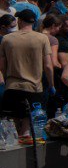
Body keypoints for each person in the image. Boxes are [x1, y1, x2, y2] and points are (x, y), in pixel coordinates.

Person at [0, 7, 53, 138]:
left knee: (11, 129)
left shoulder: (7, 39)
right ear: (33, 22)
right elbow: (48, 66)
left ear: (19, 21)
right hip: (34, 88)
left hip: (12, 87)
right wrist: (52, 85)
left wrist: (6, 80)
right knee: (27, 130)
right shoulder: (42, 39)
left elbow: (2, 67)